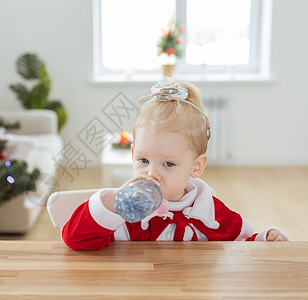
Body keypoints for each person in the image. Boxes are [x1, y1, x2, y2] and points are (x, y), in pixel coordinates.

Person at [62, 78, 289, 250]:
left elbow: (243, 249)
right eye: (143, 160)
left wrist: (264, 240)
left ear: (196, 167)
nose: (152, 173)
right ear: (132, 154)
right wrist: (113, 201)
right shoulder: (126, 213)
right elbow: (75, 239)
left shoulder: (215, 217)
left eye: (168, 164)